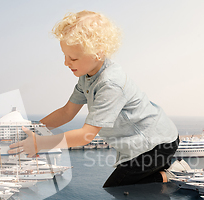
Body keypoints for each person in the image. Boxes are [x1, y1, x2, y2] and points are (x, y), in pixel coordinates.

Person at [9, 10, 179, 187]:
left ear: (98, 53)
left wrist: (40, 144)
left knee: (116, 188)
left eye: (73, 58)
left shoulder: (110, 84)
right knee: (123, 185)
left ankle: (172, 174)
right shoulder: (88, 76)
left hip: (156, 145)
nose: (66, 63)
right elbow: (67, 112)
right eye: (65, 55)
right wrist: (32, 130)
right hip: (145, 143)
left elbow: (86, 136)